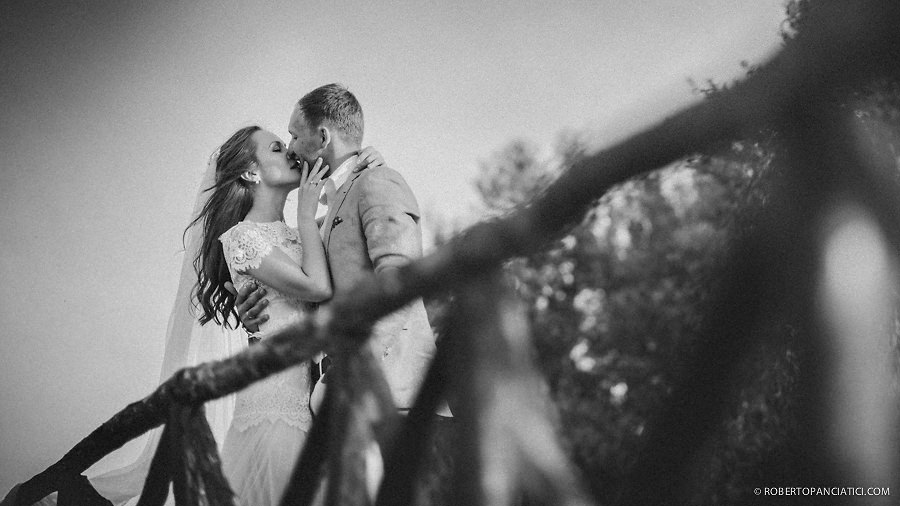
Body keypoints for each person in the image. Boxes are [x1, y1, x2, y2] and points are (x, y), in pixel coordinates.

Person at [234, 84, 453, 503]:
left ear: (323, 138)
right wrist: (253, 307)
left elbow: (400, 286)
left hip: (395, 398)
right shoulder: (328, 206)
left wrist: (350, 370)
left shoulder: (378, 183)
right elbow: (306, 287)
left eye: (296, 136)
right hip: (341, 403)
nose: (294, 147)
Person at [191, 125, 384, 506]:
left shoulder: (298, 235)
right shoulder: (242, 238)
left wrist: (372, 169)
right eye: (278, 148)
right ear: (251, 173)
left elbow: (345, 237)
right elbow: (317, 288)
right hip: (273, 405)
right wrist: (308, 211)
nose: (291, 153)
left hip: (311, 397)